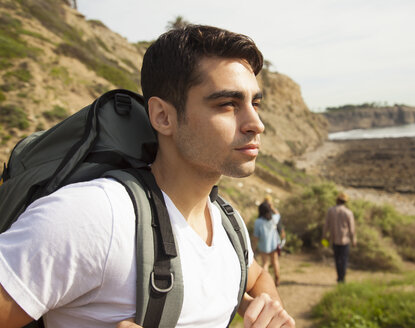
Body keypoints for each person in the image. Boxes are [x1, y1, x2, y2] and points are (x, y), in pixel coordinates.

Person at [0, 25, 295, 328]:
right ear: (163, 117)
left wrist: (267, 313)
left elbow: (256, 276)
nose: (256, 123)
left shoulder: (227, 224)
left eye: (254, 103)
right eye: (227, 104)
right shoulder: (96, 216)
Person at [322, 192, 357, 283]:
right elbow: (352, 228)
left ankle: (339, 277)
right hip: (345, 240)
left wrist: (324, 237)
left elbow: (326, 225)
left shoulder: (331, 211)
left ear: (337, 200)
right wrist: (354, 240)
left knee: (337, 259)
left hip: (334, 239)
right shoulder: (348, 213)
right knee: (344, 259)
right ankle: (342, 277)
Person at [253, 202, 282, 286]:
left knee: (265, 263)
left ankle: (266, 283)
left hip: (263, 246)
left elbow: (255, 237)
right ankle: (277, 279)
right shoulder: (273, 219)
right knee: (275, 261)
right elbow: (278, 214)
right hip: (274, 244)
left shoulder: (258, 222)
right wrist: (272, 207)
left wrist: (253, 249)